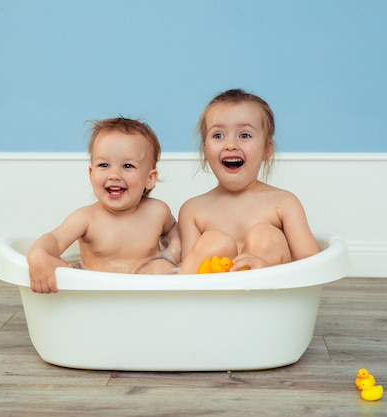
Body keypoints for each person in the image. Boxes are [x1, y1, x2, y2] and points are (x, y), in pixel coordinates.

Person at [27, 117, 181, 293]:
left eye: (128, 165)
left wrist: (171, 255)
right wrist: (38, 255)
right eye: (104, 165)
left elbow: (174, 231)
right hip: (97, 295)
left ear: (149, 178)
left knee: (161, 269)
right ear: (91, 174)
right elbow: (55, 239)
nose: (114, 174)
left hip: (145, 293)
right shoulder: (86, 218)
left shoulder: (157, 212)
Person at [178, 89, 319, 274]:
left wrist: (265, 268)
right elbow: (187, 272)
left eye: (244, 135)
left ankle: (258, 283)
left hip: (269, 295)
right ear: (205, 150)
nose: (231, 145)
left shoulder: (283, 203)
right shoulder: (193, 210)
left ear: (267, 149)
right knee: (213, 241)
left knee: (266, 237)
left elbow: (314, 265)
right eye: (218, 135)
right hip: (213, 299)